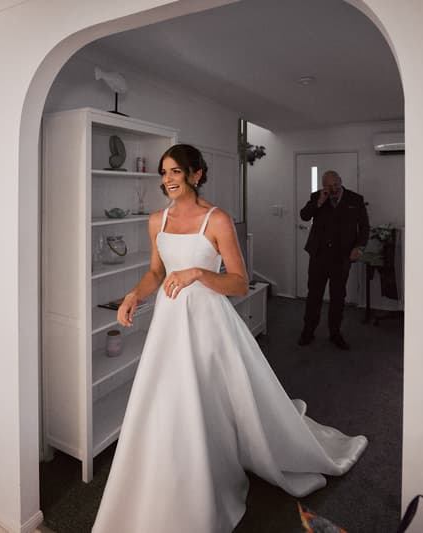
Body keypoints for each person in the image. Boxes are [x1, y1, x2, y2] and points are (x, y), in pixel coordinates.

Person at [92, 145, 368, 533]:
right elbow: (156, 272)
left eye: (175, 171)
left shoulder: (217, 219)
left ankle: (213, 464)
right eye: (164, 172)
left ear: (196, 174)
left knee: (213, 395)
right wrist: (134, 295)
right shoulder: (157, 220)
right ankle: (173, 472)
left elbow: (239, 283)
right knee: (169, 397)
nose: (168, 179)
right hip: (169, 322)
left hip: (207, 321)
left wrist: (198, 273)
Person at [298, 170, 369, 350]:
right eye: (329, 186)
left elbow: (364, 227)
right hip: (319, 256)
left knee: (338, 296)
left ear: (341, 181)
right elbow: (304, 216)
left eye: (336, 184)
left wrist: (359, 247)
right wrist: (319, 202)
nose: (333, 189)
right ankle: (308, 331)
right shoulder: (317, 197)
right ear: (323, 186)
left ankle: (335, 333)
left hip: (342, 257)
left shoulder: (355, 199)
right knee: (314, 295)